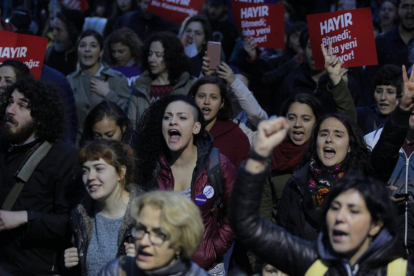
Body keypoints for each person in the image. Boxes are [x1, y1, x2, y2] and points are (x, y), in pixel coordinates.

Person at [229, 117, 413, 275]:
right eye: (334, 207)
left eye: (353, 210)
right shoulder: (311, 260)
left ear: (375, 224)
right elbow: (247, 224)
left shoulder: (394, 271)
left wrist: (403, 110)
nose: (340, 217)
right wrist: (257, 158)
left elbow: (385, 153)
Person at [276, 65, 414, 241]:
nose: (329, 140)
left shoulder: (364, 180)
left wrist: (402, 109)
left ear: (350, 146)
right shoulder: (296, 184)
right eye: (324, 134)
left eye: (338, 134)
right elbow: (281, 237)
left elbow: (387, 147)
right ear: (315, 142)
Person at [135, 94, 236, 274]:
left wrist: (212, 249)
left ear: (196, 127)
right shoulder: (151, 168)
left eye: (182, 117)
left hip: (208, 270)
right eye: (167, 117)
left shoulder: (218, 165)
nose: (173, 122)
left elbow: (237, 214)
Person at [0, 78, 83, 275]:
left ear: (41, 117)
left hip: (32, 267)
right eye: (10, 102)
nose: (10, 110)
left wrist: (25, 218)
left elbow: (70, 222)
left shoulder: (65, 158)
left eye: (22, 106)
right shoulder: (3, 147)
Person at [63, 140, 144, 276]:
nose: (90, 177)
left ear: (121, 173)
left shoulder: (149, 214)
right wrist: (64, 263)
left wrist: (147, 263)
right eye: (85, 170)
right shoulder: (79, 215)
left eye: (99, 169)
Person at [98, 191, 209, 275]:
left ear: (181, 243)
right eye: (141, 229)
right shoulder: (116, 271)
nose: (143, 242)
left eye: (159, 234)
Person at [67, 29, 130, 143]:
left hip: (108, 146)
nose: (87, 50)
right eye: (82, 45)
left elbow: (128, 114)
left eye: (93, 46)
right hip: (77, 147)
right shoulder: (69, 80)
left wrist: (108, 94)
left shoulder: (116, 79)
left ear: (101, 52)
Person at [128, 31, 195, 129]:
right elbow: (131, 125)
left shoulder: (187, 84)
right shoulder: (141, 86)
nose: (151, 59)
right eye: (150, 54)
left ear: (171, 57)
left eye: (158, 55)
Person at [189, 75, 250, 169]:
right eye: (201, 96)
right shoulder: (182, 129)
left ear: (222, 103)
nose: (206, 102)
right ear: (193, 99)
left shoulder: (236, 135)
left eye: (213, 97)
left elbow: (245, 178)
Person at [357, 64, 403, 135]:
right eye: (378, 91)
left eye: (390, 92)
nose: (382, 97)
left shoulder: (409, 120)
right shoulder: (364, 116)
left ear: (401, 95)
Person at [45, 7, 85, 76]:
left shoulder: (83, 59)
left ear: (72, 33)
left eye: (58, 30)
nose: (53, 34)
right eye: (53, 29)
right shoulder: (48, 52)